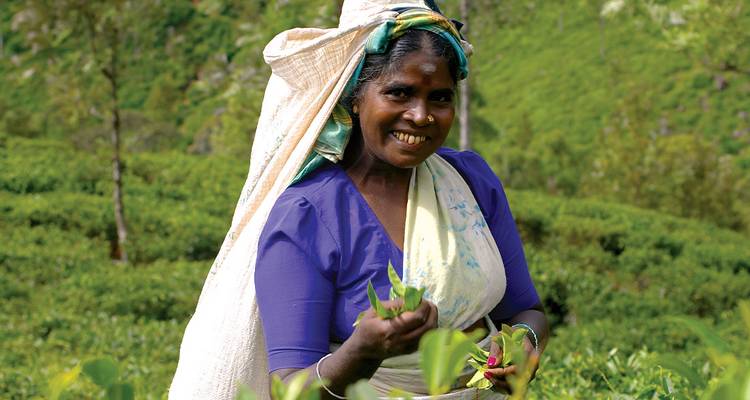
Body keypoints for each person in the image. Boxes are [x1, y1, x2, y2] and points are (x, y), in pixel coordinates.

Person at [253, 2, 549, 399]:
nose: (421, 115)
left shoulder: (471, 182)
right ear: (355, 96)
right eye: (399, 93)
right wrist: (363, 351)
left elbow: (526, 311)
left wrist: (524, 343)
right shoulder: (309, 215)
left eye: (440, 98)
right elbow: (289, 390)